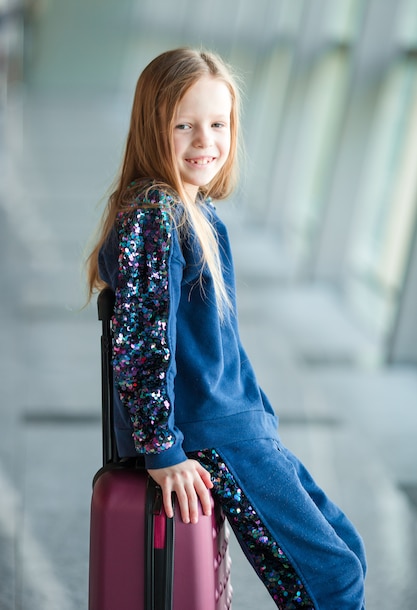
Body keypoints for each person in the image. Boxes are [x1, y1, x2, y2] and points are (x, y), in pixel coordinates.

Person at [86, 47, 366, 609]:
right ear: (151, 128)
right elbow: (140, 340)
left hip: (243, 425)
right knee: (331, 580)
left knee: (345, 553)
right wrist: (163, 449)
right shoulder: (154, 215)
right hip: (214, 434)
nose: (205, 141)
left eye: (218, 124)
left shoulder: (196, 209)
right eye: (184, 126)